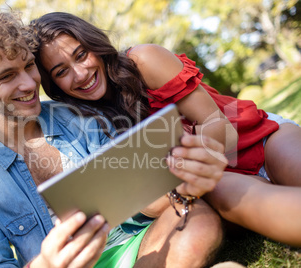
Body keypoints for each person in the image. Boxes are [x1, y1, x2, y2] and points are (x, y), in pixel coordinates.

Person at [0, 7, 228, 268]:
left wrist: (176, 184)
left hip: (134, 246)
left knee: (197, 221)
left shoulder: (75, 113)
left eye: (29, 66)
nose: (29, 84)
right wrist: (45, 264)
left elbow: (139, 199)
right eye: (7, 76)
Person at [28, 12, 301, 246]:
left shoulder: (144, 60)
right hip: (218, 183)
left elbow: (219, 125)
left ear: (94, 44)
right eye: (62, 71)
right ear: (53, 85)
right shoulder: (84, 124)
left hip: (259, 139)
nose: (80, 73)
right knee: (224, 190)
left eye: (81, 54)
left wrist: (192, 161)